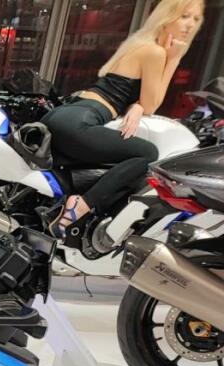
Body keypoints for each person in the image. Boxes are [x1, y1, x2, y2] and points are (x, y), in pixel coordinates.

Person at [43, 0, 204, 237]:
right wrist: (174, 59)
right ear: (166, 16)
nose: (190, 25)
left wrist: (136, 106)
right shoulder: (155, 52)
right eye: (184, 16)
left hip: (67, 114)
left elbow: (129, 95)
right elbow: (152, 103)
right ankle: (81, 206)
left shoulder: (138, 44)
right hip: (79, 121)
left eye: (196, 19)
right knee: (148, 153)